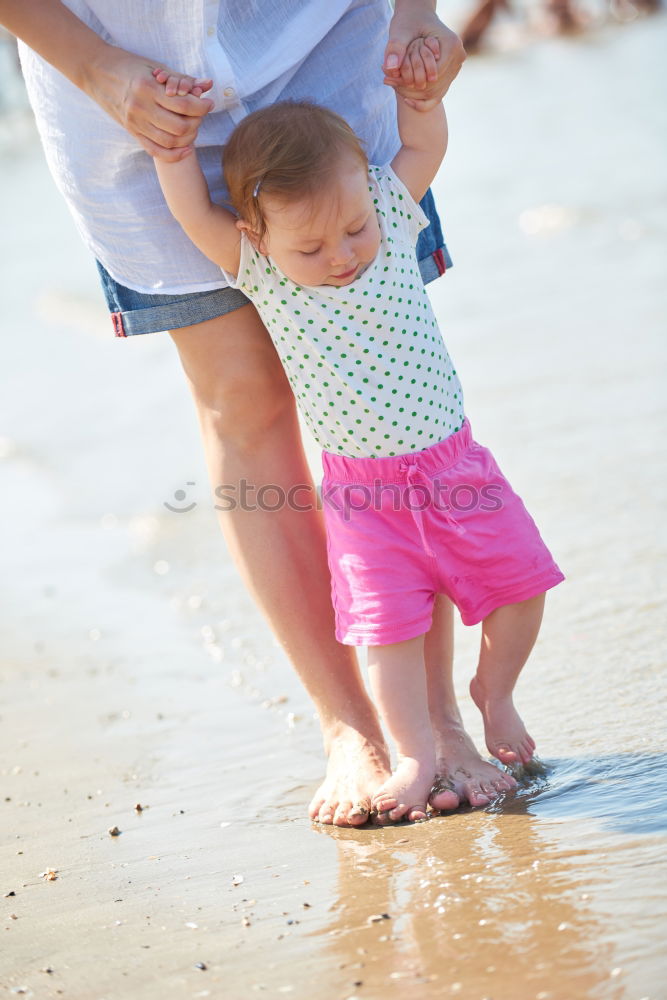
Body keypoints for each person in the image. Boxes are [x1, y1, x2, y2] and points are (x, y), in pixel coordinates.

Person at [1, 0, 523, 826]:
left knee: (372, 368)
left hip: (325, 43)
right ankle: (350, 726)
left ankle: (434, 724)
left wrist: (417, 12)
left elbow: (420, 143)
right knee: (243, 403)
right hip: (131, 81)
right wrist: (97, 65)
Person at [152, 39, 564, 821]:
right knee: (387, 632)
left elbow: (423, 146)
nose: (341, 255)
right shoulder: (256, 267)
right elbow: (187, 209)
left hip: (455, 469)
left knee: (523, 583)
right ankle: (412, 755)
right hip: (363, 496)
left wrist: (419, 98)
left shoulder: (387, 213)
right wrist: (172, 149)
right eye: (311, 245)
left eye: (351, 230)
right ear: (259, 233)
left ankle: (494, 693)